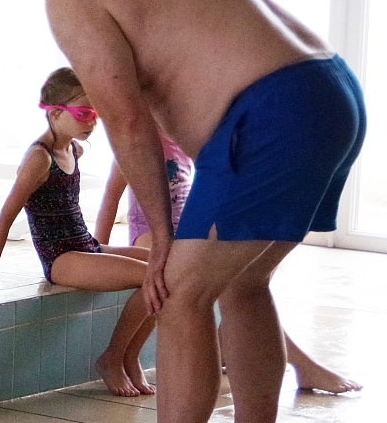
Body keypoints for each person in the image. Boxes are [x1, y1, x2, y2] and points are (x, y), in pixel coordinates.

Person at [8, 0, 366, 423]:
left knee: (178, 294)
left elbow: (125, 120)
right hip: (329, 92)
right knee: (244, 283)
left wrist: (162, 239)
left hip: (271, 113)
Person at [95, 143, 361, 396]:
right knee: (178, 279)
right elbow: (110, 199)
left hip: (184, 235)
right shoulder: (135, 145)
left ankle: (244, 347)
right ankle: (116, 355)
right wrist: (98, 248)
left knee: (241, 274)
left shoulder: (184, 140)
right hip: (149, 236)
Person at [0, 68, 156, 398]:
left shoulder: (74, 150)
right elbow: (5, 218)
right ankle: (113, 358)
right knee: (152, 277)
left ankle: (130, 356)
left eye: (96, 113)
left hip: (85, 245)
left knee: (166, 269)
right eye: (83, 113)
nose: (92, 122)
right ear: (54, 113)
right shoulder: (39, 159)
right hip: (61, 258)